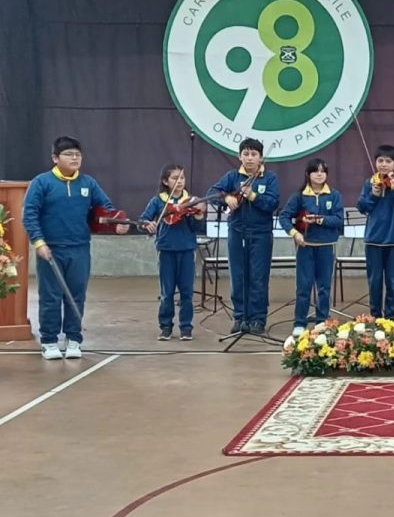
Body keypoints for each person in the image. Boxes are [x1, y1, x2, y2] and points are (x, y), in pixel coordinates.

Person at [23, 136, 130, 359]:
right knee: (50, 296)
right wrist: (39, 242)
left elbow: (106, 209)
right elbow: (29, 214)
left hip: (80, 249)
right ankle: (49, 341)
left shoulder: (88, 183)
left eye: (78, 154)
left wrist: (116, 224)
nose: (74, 158)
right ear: (55, 158)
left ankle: (73, 339)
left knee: (76, 296)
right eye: (69, 154)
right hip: (50, 249)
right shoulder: (41, 183)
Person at [209, 138, 280, 335]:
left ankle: (258, 318)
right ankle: (240, 317)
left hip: (261, 234)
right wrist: (227, 197)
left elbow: (273, 203)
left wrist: (254, 196)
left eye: (254, 154)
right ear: (239, 156)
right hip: (237, 232)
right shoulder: (232, 177)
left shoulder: (269, 178)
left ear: (261, 158)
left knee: (258, 278)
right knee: (238, 277)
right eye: (246, 154)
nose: (249, 158)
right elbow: (212, 192)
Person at [280, 158, 344, 338]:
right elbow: (284, 217)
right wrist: (295, 233)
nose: (319, 174)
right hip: (306, 247)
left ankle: (322, 320)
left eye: (323, 171)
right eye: (315, 171)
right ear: (308, 174)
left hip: (326, 246)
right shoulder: (299, 196)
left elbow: (339, 219)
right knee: (304, 286)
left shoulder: (334, 195)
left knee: (324, 286)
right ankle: (300, 322)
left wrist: (322, 219)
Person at [141, 164, 205, 341]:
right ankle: (166, 326)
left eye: (182, 178)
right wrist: (148, 224)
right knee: (167, 292)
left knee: (187, 292)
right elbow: (143, 220)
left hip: (186, 250)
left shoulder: (190, 201)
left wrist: (198, 216)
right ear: (165, 181)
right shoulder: (158, 201)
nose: (179, 182)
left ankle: (186, 327)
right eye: (174, 178)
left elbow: (196, 228)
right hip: (166, 250)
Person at [356, 145, 394, 322]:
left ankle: (390, 318)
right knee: (375, 281)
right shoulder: (369, 183)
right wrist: (373, 195)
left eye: (388, 161)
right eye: (380, 160)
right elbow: (362, 208)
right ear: (375, 162)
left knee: (393, 281)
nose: (384, 164)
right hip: (374, 239)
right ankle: (375, 317)